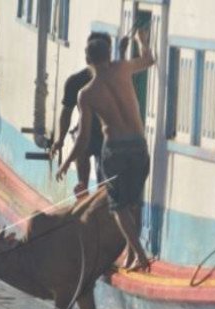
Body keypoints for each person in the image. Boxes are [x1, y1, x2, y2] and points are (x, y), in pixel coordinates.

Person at [56, 27, 155, 272]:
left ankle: (139, 255)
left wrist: (67, 161)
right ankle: (132, 256)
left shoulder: (86, 93)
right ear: (108, 54)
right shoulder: (122, 68)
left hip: (115, 149)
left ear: (88, 60)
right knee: (134, 202)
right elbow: (149, 60)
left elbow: (84, 137)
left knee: (119, 207)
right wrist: (143, 42)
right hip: (139, 144)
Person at [50, 32, 112, 198]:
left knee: (103, 178)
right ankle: (83, 192)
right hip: (88, 131)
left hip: (108, 136)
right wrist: (60, 140)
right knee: (81, 146)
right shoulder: (76, 82)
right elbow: (67, 112)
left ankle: (100, 199)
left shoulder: (116, 80)